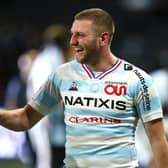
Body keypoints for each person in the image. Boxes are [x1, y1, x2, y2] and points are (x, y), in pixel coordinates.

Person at [0, 8, 168, 168]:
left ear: (103, 39)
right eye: (72, 34)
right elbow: (25, 119)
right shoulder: (62, 74)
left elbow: (157, 140)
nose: (72, 42)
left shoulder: (139, 79)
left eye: (80, 35)